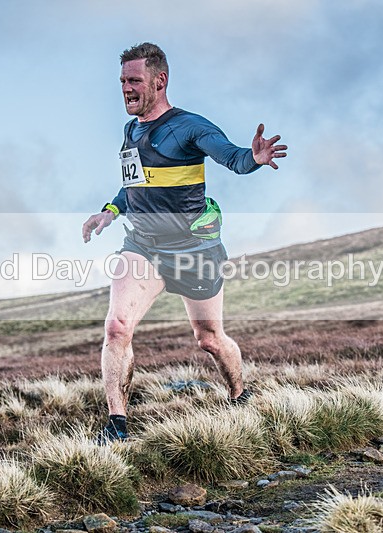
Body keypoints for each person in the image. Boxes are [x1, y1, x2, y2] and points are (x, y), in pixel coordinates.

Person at [81, 42, 287, 442]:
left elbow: (232, 158)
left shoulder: (190, 126)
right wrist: (108, 211)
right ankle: (117, 425)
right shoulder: (131, 130)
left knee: (209, 338)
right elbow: (135, 186)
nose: (125, 88)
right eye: (122, 80)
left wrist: (253, 158)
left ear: (160, 81)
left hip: (195, 252)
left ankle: (240, 395)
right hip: (143, 246)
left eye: (134, 80)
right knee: (117, 327)